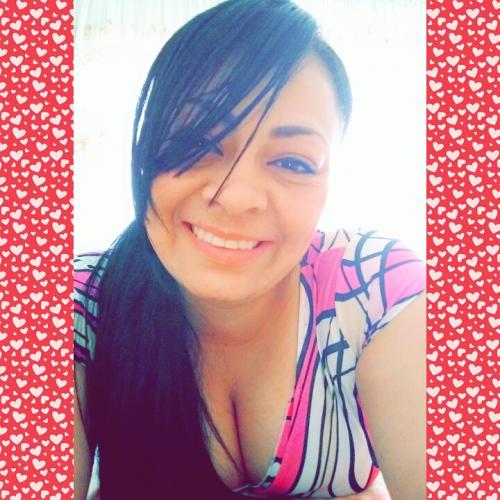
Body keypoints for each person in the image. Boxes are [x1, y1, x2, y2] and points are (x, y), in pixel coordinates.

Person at [74, 0, 426, 498]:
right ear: (146, 150)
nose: (237, 197)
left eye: (293, 162)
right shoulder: (79, 303)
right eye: (197, 142)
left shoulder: (377, 292)